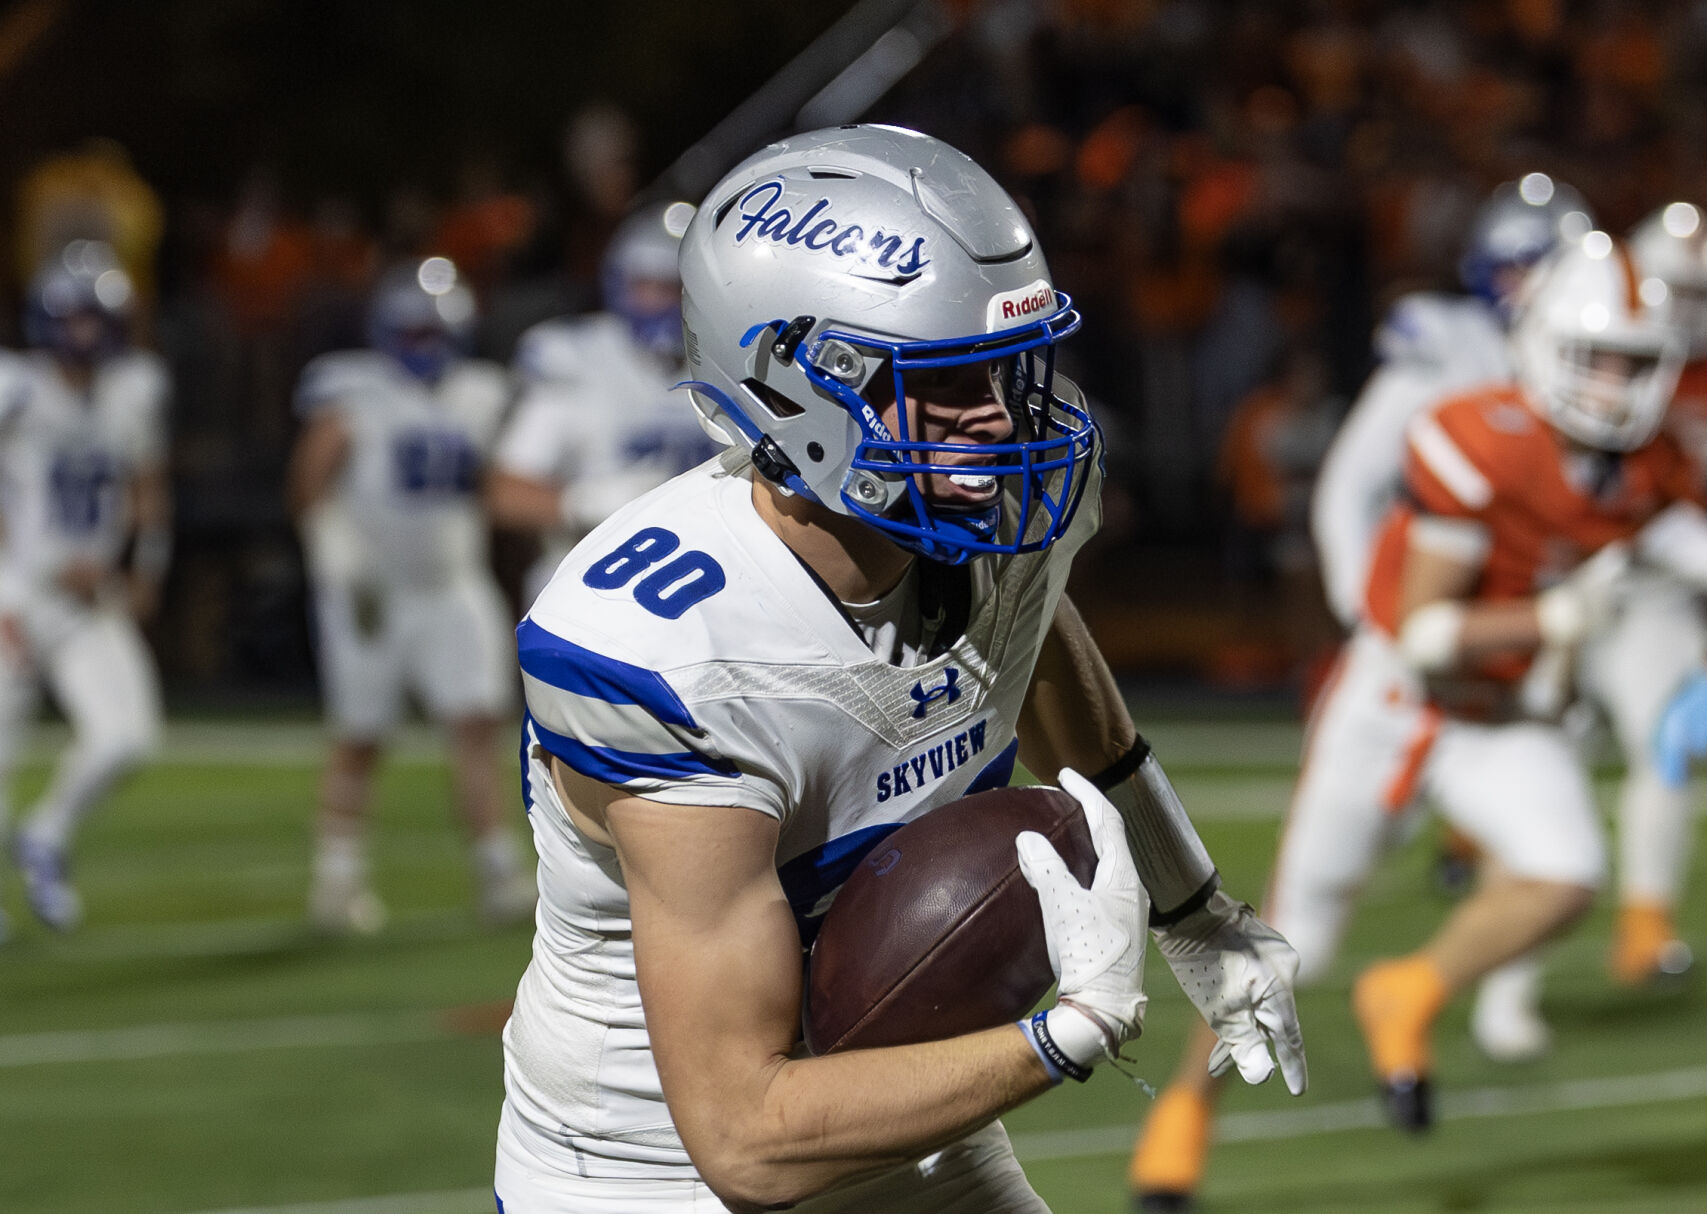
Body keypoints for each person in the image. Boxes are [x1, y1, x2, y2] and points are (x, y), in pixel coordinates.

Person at [493, 124, 1306, 1214]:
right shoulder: (676, 651)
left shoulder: (994, 506)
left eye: (1009, 369)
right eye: (943, 381)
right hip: (663, 1169)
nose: (1001, 420)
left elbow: (1032, 635)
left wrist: (1193, 904)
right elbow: (743, 1135)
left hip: (907, 1124)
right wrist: (1070, 1029)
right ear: (795, 386)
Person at [288, 256, 534, 934]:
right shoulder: (355, 391)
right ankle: (336, 883)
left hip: (451, 584)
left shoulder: (482, 393)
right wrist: (333, 555)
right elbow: (310, 476)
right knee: (360, 735)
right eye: (412, 333)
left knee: (475, 725)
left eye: (434, 333)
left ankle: (496, 871)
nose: (424, 346)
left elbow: (508, 475)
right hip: (372, 590)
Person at [0, 241, 170, 936]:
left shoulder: (133, 389)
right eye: (72, 319)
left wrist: (146, 566)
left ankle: (45, 833)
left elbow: (147, 486)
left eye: (97, 320)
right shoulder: (15, 384)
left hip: (88, 598)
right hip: (17, 587)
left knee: (128, 737)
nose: (85, 334)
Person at [486, 200, 717, 603]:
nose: (666, 303)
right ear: (617, 284)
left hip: (711, 580)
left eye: (681, 287)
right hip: (596, 581)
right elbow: (505, 493)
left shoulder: (728, 356)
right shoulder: (575, 355)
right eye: (650, 286)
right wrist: (584, 503)